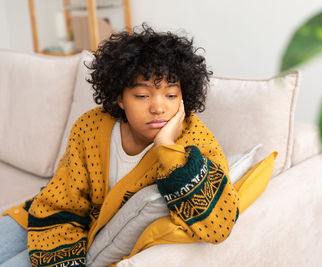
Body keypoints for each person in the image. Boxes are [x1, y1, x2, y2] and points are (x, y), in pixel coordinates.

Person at [0, 24, 240, 267]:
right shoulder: (90, 128)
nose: (158, 108)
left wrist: (167, 147)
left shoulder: (194, 140)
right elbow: (61, 202)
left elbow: (219, 226)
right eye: (142, 96)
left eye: (170, 95)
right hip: (49, 222)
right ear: (119, 98)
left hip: (90, 239)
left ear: (183, 96)